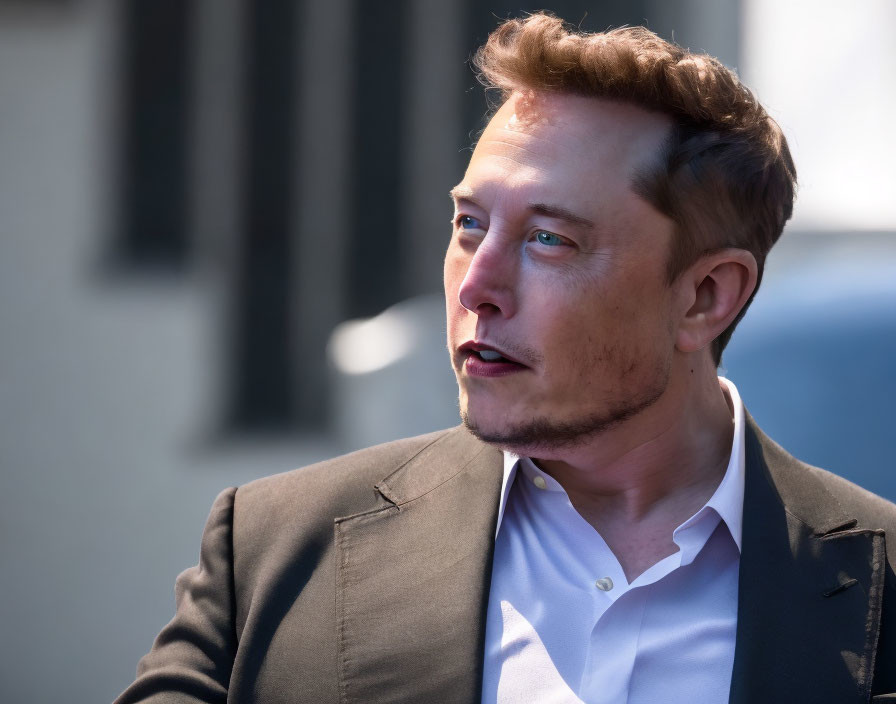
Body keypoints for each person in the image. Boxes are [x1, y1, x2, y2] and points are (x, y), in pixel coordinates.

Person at [116, 13, 896, 704]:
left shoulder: (883, 588)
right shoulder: (273, 551)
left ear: (704, 297)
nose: (477, 285)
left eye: (548, 238)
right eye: (468, 225)